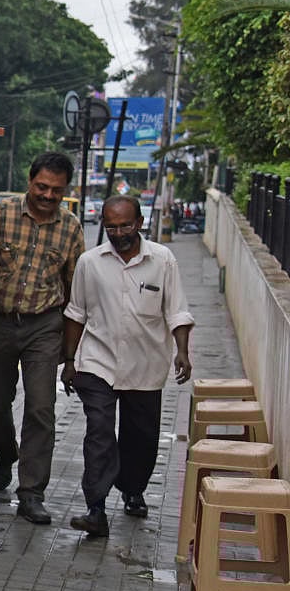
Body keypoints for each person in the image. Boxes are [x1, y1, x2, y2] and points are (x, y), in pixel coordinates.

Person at [0, 151, 84, 525]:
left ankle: (32, 493)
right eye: (42, 186)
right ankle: (6, 453)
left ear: (65, 191)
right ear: (30, 181)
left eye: (56, 190)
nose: (48, 195)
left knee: (41, 407)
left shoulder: (71, 228)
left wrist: (72, 351)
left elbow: (75, 289)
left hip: (45, 325)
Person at [61, 195, 194, 537]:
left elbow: (176, 311)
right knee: (99, 434)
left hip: (145, 366)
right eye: (111, 226)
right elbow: (76, 314)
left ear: (139, 223)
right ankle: (96, 508)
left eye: (124, 225)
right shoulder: (90, 263)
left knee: (141, 438)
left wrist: (182, 351)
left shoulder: (163, 261)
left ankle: (133, 490)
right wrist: (70, 360)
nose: (118, 233)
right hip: (98, 363)